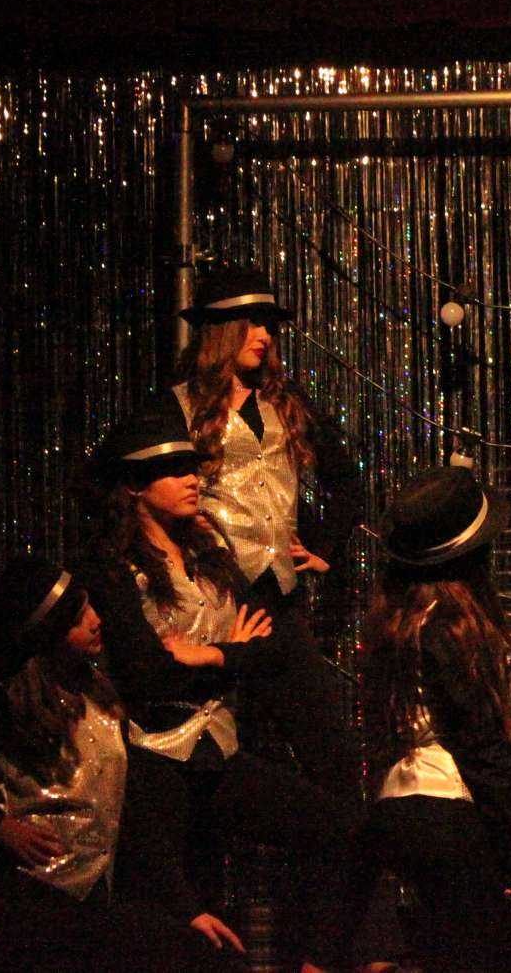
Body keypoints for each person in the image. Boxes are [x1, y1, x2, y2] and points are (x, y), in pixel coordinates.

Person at [77, 406, 366, 972]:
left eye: (193, 467)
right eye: (174, 470)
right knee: (185, 918)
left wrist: (212, 654)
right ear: (134, 487)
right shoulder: (113, 568)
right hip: (155, 760)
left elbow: (273, 647)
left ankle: (315, 964)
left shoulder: (209, 554)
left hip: (218, 750)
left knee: (346, 829)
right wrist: (234, 654)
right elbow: (147, 674)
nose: (193, 480)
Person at [0, 556, 242, 973]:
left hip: (86, 901)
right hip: (25, 900)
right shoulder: (4, 701)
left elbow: (130, 810)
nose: (95, 621)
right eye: (75, 619)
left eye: (89, 607)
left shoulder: (99, 694)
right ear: (48, 634)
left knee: (201, 952)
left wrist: (188, 909)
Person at [172, 266, 364, 800]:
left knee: (331, 752)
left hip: (277, 601)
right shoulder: (179, 405)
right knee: (227, 752)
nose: (264, 336)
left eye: (269, 326)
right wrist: (184, 537)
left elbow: (346, 481)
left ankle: (340, 845)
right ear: (222, 331)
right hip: (213, 603)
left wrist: (322, 548)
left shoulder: (285, 400)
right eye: (252, 324)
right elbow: (114, 484)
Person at [363, 466, 511, 973]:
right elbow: (480, 748)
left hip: (398, 808)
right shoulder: (453, 628)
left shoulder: (396, 622)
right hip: (451, 812)